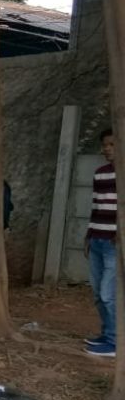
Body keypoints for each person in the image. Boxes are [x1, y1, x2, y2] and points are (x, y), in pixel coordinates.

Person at [85, 129, 117, 357]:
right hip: (97, 239)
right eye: (105, 145)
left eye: (112, 145)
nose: (106, 149)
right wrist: (88, 235)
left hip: (115, 244)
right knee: (98, 293)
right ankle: (107, 334)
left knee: (108, 293)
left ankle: (115, 342)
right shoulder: (100, 174)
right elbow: (96, 207)